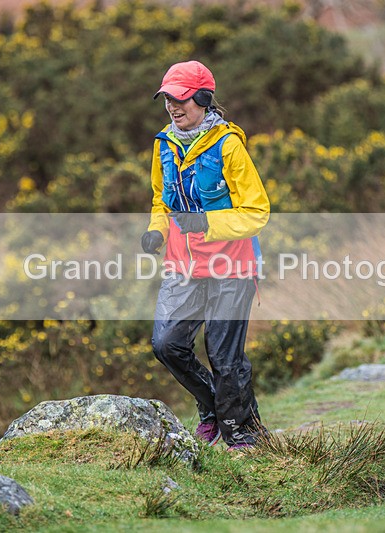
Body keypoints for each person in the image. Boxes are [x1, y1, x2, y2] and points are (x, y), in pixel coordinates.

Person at [141, 60, 270, 449]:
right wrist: (156, 230)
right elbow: (161, 200)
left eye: (180, 99)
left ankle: (240, 434)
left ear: (202, 98)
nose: (172, 107)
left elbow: (257, 212)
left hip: (232, 265)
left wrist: (206, 223)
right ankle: (213, 406)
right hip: (183, 265)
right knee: (167, 344)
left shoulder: (228, 145)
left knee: (224, 354)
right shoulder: (164, 144)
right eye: (167, 99)